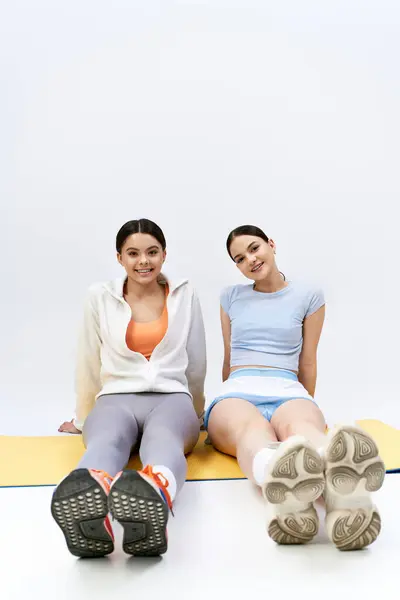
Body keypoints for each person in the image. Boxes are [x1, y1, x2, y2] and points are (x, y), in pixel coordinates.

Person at [205, 224, 385, 551]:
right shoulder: (230, 297)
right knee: (251, 429)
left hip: (288, 386)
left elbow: (308, 361)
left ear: (271, 244)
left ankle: (340, 489)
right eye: (240, 258)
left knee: (300, 430)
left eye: (254, 248)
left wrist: (306, 405)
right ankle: (289, 484)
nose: (250, 260)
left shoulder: (308, 295)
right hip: (238, 389)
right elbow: (229, 357)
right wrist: (220, 412)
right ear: (237, 266)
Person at [51, 218, 206, 558]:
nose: (143, 261)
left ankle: (155, 491)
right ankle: (87, 494)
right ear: (119, 257)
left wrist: (197, 412)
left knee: (163, 441)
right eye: (133, 253)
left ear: (164, 255)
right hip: (115, 399)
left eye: (152, 252)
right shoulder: (100, 296)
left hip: (171, 398)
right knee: (107, 440)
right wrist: (82, 417)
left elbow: (196, 358)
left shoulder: (184, 293)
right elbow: (88, 359)